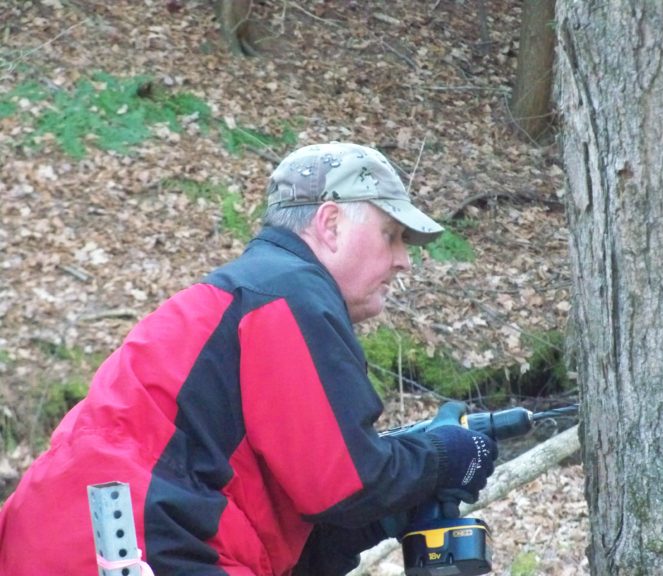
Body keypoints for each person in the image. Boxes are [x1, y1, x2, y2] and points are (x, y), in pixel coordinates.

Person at [0, 142, 498, 575]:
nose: (403, 259)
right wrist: (449, 455)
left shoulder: (248, 292)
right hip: (134, 542)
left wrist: (381, 514)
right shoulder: (289, 293)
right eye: (391, 234)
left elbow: (282, 520)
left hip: (52, 539)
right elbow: (347, 482)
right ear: (330, 223)